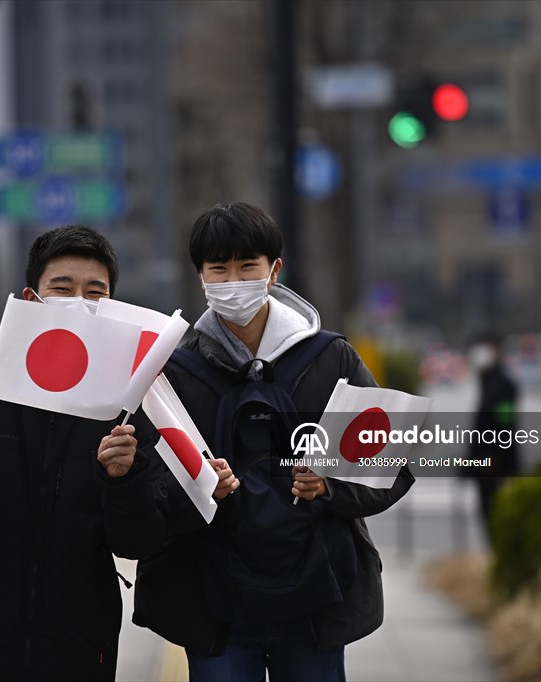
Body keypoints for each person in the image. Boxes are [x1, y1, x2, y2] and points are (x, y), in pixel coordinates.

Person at [133, 202, 414, 682]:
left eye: (247, 266)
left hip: (313, 604)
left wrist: (329, 488)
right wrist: (202, 487)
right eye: (218, 268)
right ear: (200, 276)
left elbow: (394, 462)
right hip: (213, 606)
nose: (233, 281)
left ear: (274, 269)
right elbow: (146, 487)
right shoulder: (171, 373)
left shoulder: (331, 359)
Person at [0, 226, 166, 681]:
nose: (79, 302)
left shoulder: (127, 408)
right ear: (30, 298)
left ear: (113, 308)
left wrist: (123, 479)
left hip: (77, 651)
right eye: (62, 288)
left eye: (95, 292)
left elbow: (141, 541)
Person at [466, 331, 520, 536]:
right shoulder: (488, 381)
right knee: (488, 516)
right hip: (485, 464)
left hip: (494, 464)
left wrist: (492, 456)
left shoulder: (503, 385)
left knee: (495, 516)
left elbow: (505, 424)